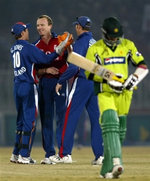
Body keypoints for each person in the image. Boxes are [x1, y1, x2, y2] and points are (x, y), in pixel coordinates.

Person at [85, 17, 149, 178]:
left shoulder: (128, 45)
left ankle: (106, 169)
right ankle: (117, 163)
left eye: (117, 37)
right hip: (105, 92)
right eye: (111, 37)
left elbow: (142, 65)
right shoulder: (96, 48)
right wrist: (109, 79)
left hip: (125, 94)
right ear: (104, 34)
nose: (114, 40)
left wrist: (132, 79)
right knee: (110, 123)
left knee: (119, 131)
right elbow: (89, 72)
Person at [9, 21, 72, 164]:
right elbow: (45, 58)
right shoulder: (29, 47)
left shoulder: (13, 48)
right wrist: (59, 49)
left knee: (20, 121)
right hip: (27, 86)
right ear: (23, 32)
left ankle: (15, 153)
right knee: (30, 122)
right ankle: (24, 155)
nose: (29, 32)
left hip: (17, 85)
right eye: (27, 30)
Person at [51, 16, 104, 164]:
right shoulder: (96, 43)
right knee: (95, 120)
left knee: (69, 117)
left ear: (79, 27)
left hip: (83, 82)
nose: (76, 28)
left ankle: (64, 155)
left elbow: (75, 66)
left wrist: (61, 80)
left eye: (77, 26)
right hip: (95, 82)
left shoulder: (81, 42)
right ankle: (100, 156)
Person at [34, 15, 73, 164]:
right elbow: (35, 72)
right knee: (46, 119)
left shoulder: (60, 41)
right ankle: (49, 154)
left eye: (42, 25)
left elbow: (72, 59)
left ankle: (64, 153)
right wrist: (46, 71)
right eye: (38, 25)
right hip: (45, 84)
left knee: (62, 118)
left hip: (61, 82)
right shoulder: (35, 46)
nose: (40, 28)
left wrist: (70, 46)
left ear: (50, 26)